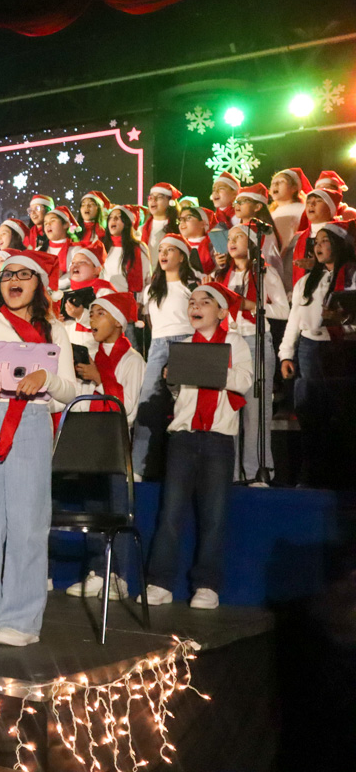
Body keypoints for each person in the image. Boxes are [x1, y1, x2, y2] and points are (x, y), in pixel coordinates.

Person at [0, 249, 76, 646]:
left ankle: (22, 621)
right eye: (7, 275)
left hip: (32, 421)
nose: (14, 281)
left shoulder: (55, 329)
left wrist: (46, 379)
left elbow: (69, 391)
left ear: (38, 283)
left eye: (24, 275)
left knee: (27, 522)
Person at [143, 282, 253, 611]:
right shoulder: (184, 345)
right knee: (171, 513)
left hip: (218, 437)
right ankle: (160, 582)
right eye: (192, 301)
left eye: (204, 302)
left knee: (214, 515)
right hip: (184, 435)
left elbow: (244, 382)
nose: (196, 306)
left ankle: (207, 585)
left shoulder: (235, 343)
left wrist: (209, 369)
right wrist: (173, 379)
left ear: (221, 312)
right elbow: (181, 395)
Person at [65, 292, 146, 601]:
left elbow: (130, 408)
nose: (92, 318)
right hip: (90, 439)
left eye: (100, 313)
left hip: (114, 442)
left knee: (117, 510)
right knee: (93, 508)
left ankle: (118, 576)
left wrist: (101, 379)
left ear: (118, 322)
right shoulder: (88, 356)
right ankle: (98, 571)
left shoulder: (132, 359)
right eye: (92, 313)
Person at [279, 220, 356, 487]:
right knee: (310, 413)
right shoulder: (307, 281)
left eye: (326, 241)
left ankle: (341, 478)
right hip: (309, 348)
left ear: (339, 245)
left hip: (342, 349)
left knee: (340, 412)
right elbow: (294, 320)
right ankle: (311, 475)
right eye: (317, 242)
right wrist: (286, 355)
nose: (319, 247)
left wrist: (341, 320)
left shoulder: (351, 276)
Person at [214, 225, 289, 483]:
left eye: (239, 237)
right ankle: (233, 474)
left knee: (256, 411)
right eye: (230, 238)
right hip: (228, 344)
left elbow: (283, 310)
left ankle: (258, 471)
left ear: (253, 243)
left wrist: (252, 306)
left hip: (255, 341)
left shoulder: (264, 272)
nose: (232, 241)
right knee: (229, 410)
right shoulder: (221, 275)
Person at [132, 235, 200, 479]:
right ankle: (137, 469)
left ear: (182, 256)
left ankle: (188, 469)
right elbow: (152, 322)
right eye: (161, 250)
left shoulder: (192, 285)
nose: (163, 254)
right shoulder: (151, 289)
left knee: (185, 405)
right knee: (148, 405)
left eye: (170, 250)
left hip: (186, 342)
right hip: (159, 344)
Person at [288, 188, 341, 287]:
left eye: (318, 201)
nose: (311, 205)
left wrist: (318, 265)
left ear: (330, 208)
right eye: (308, 202)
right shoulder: (298, 238)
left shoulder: (341, 235)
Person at [102, 205, 151, 300]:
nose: (113, 219)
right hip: (107, 299)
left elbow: (146, 277)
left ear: (127, 223)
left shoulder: (138, 248)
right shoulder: (104, 247)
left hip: (130, 300)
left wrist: (140, 301)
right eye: (111, 217)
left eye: (118, 217)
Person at [142, 182, 181, 261]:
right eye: (151, 197)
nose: (153, 200)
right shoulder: (141, 230)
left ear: (170, 202)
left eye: (159, 197)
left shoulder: (178, 228)